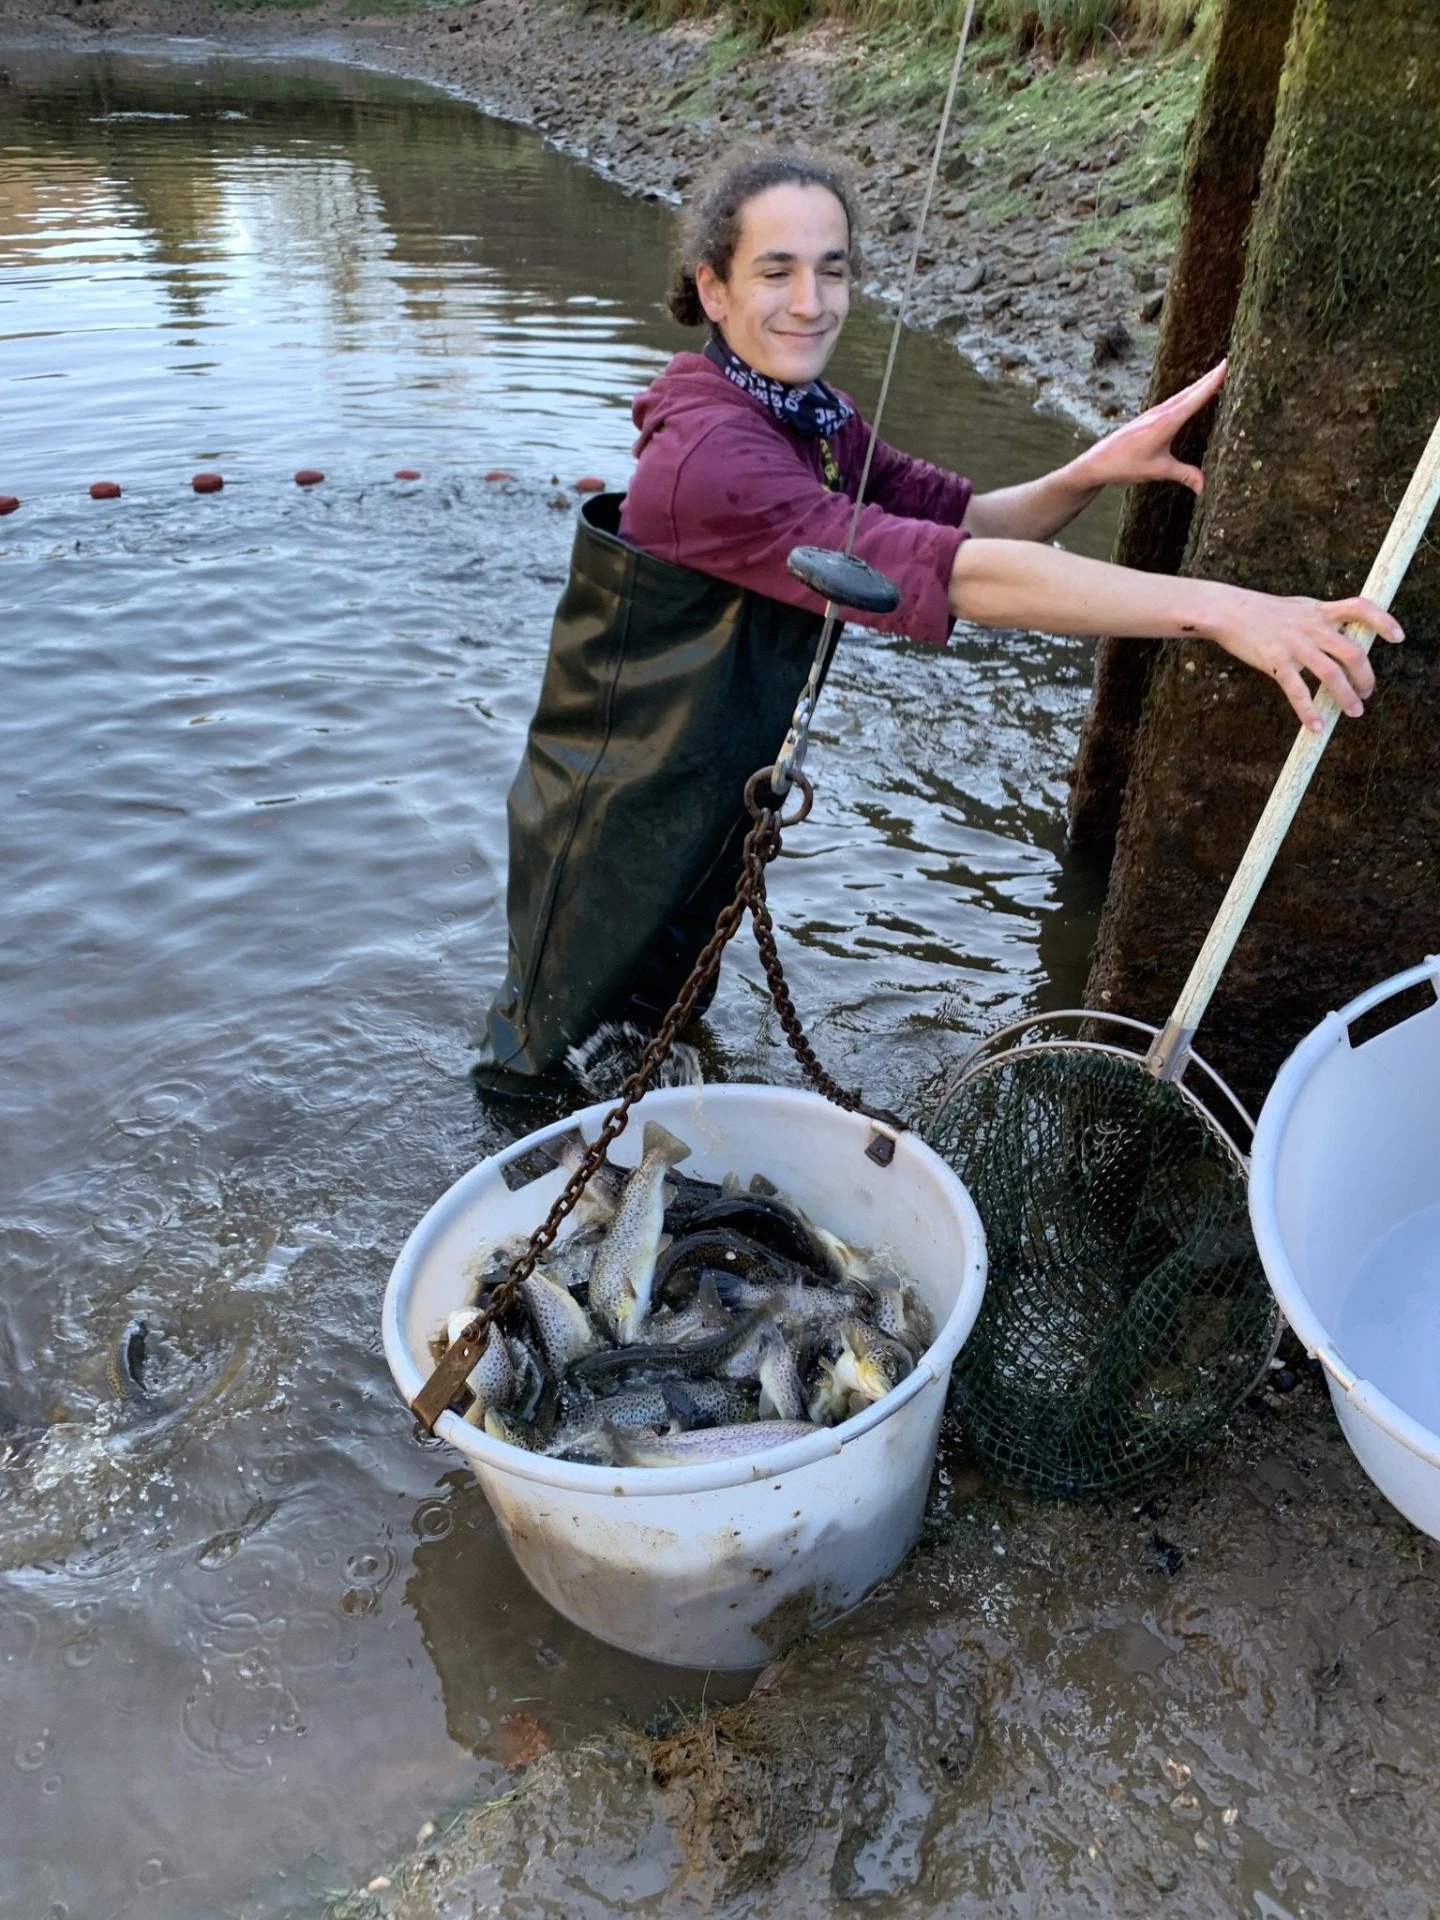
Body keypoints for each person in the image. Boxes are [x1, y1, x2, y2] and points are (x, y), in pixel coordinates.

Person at [474, 148, 1402, 1095]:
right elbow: (953, 575)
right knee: (544, 1082)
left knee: (653, 1047)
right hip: (615, 832)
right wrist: (1216, 608)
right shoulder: (712, 455)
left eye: (833, 270)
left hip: (698, 809)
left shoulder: (812, 418)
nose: (811, 302)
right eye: (776, 272)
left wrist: (1091, 469)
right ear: (712, 288)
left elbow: (966, 526)